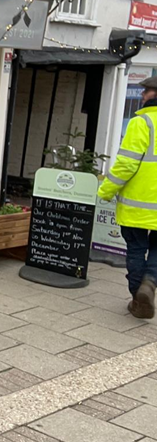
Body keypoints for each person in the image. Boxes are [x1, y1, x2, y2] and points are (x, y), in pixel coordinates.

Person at [98, 75, 157, 319]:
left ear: (153, 95)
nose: (142, 96)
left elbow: (126, 165)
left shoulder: (142, 122)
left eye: (145, 92)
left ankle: (138, 298)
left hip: (137, 206)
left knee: (135, 250)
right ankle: (150, 284)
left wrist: (105, 191)